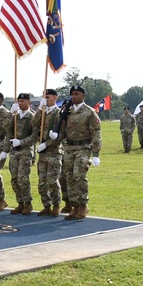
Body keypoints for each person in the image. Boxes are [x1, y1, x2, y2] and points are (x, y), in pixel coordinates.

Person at [59, 85, 102, 219]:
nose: (74, 96)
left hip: (83, 148)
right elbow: (63, 131)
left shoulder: (89, 112)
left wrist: (96, 154)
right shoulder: (67, 112)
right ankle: (75, 206)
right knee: (69, 178)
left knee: (79, 176)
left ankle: (83, 205)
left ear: (83, 96)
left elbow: (96, 133)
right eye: (72, 94)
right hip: (69, 148)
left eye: (77, 94)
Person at [1, 93, 38, 215]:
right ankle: (20, 202)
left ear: (29, 103)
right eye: (19, 101)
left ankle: (28, 203)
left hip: (26, 151)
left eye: (23, 101)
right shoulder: (15, 116)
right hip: (14, 151)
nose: (20, 103)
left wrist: (21, 142)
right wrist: (9, 114)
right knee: (14, 179)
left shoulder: (33, 117)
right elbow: (7, 130)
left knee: (23, 178)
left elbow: (35, 136)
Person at [35, 90, 64, 216]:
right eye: (43, 97)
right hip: (43, 153)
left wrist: (46, 144)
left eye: (47, 97)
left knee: (52, 181)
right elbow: (33, 124)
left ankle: (56, 205)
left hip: (54, 152)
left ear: (55, 98)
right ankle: (46, 205)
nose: (45, 99)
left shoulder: (59, 113)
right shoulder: (43, 113)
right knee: (42, 181)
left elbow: (62, 135)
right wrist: (40, 109)